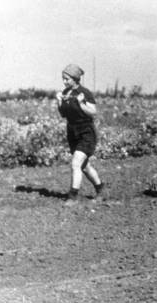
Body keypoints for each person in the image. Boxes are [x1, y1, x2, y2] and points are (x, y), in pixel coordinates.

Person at [56, 64, 104, 204]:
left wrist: (81, 103)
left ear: (75, 78)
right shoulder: (66, 92)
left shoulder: (85, 93)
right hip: (72, 132)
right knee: (84, 166)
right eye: (63, 79)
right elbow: (63, 114)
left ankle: (72, 197)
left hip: (86, 132)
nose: (64, 82)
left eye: (67, 79)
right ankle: (100, 189)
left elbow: (93, 112)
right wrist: (59, 101)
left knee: (76, 164)